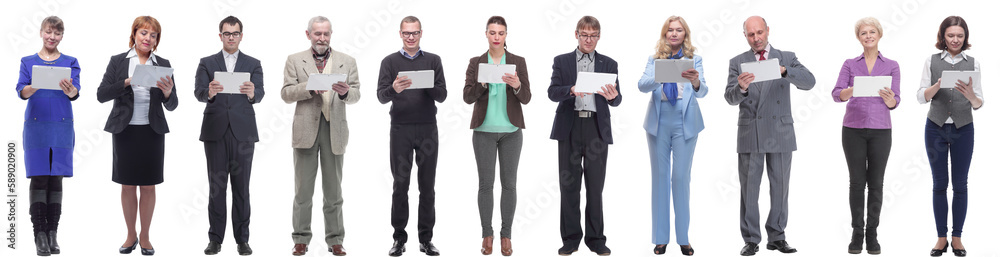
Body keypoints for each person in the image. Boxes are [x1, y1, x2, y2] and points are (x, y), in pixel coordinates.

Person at [723, 16, 815, 256]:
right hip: (750, 131)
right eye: (751, 35)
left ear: (768, 31)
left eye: (760, 33)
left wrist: (784, 71)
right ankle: (751, 239)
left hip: (780, 130)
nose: (757, 39)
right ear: (745, 36)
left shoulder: (786, 56)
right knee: (749, 190)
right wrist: (741, 88)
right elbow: (729, 98)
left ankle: (777, 236)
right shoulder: (737, 62)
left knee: (780, 187)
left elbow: (809, 82)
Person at [96, 16, 177, 256]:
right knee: (128, 184)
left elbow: (173, 104)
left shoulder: (162, 63)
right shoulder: (119, 61)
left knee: (149, 185)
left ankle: (145, 236)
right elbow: (101, 94)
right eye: (144, 33)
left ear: (156, 40)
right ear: (134, 34)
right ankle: (130, 234)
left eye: (153, 35)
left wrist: (168, 92)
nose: (148, 39)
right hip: (125, 130)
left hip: (152, 131)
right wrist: (128, 82)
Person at [281, 16, 361, 257]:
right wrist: (308, 88)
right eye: (317, 34)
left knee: (334, 191)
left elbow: (357, 94)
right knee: (303, 191)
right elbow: (285, 93)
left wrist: (347, 92)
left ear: (331, 34)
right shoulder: (294, 60)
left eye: (326, 34)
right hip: (305, 131)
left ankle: (335, 239)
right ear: (309, 35)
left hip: (334, 129)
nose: (322, 38)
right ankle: (301, 239)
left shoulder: (347, 61)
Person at [549, 15, 620, 257]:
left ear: (599, 37)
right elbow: (552, 92)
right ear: (576, 35)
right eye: (584, 34)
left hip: (596, 130)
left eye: (593, 35)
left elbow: (617, 99)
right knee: (569, 186)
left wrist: (612, 97)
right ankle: (570, 239)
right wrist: (569, 90)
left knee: (595, 187)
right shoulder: (562, 61)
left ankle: (596, 239)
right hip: (569, 127)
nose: (588, 39)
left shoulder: (609, 64)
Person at [377, 15, 447, 257]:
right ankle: (399, 239)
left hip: (428, 128)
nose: (410, 37)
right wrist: (394, 89)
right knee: (400, 185)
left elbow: (442, 95)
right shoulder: (389, 62)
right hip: (400, 129)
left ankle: (426, 240)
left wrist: (425, 83)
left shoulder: (433, 60)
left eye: (414, 33)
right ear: (400, 34)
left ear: (421, 33)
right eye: (406, 33)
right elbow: (381, 96)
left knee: (427, 187)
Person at [195, 15, 264, 256]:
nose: (231, 37)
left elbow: (261, 93)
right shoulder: (207, 62)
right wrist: (210, 92)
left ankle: (242, 240)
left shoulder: (253, 63)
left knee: (241, 187)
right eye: (227, 33)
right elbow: (198, 92)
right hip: (215, 131)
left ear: (241, 36)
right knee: (216, 187)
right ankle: (215, 239)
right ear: (220, 36)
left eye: (235, 33)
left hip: (243, 133)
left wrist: (253, 93)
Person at [462, 15, 531, 257]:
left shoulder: (517, 62)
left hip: (512, 131)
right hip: (484, 131)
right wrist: (482, 83)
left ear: (506, 35)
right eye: (492, 33)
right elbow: (467, 97)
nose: (496, 37)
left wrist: (517, 85)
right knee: (485, 185)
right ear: (486, 34)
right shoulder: (476, 62)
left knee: (509, 185)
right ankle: (487, 235)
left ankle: (506, 236)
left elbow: (527, 97)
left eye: (500, 33)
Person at [830, 17, 899, 255]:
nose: (868, 36)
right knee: (857, 183)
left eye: (872, 32)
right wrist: (850, 90)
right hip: (853, 130)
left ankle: (872, 234)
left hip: (881, 130)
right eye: (863, 33)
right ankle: (857, 233)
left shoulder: (891, 65)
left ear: (879, 35)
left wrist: (892, 101)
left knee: (876, 183)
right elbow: (836, 94)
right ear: (858, 38)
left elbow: (896, 99)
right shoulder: (850, 64)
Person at [637, 16, 706, 256]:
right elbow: (642, 85)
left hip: (685, 121)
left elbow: (703, 91)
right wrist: (660, 75)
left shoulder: (694, 59)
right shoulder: (654, 59)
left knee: (680, 179)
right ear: (665, 34)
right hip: (659, 122)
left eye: (679, 30)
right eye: (670, 30)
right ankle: (660, 238)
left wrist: (696, 81)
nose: (674, 34)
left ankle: (684, 239)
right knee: (660, 179)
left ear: (685, 34)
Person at [15, 16, 80, 256]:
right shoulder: (28, 61)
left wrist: (71, 90)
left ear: (62, 36)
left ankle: (53, 233)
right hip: (37, 125)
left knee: (57, 178)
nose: (52, 37)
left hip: (62, 125)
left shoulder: (70, 62)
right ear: (41, 32)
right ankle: (39, 234)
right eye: (48, 32)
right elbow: (22, 91)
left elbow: (75, 93)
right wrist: (37, 84)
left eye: (57, 34)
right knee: (39, 177)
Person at [918, 16, 981, 257]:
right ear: (943, 36)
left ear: (965, 38)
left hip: (963, 128)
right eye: (951, 35)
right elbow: (920, 96)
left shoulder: (973, 63)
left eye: (960, 36)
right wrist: (938, 85)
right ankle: (941, 238)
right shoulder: (931, 60)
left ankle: (957, 238)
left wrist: (971, 95)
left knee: (961, 185)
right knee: (939, 184)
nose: (955, 39)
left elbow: (978, 102)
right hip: (935, 126)